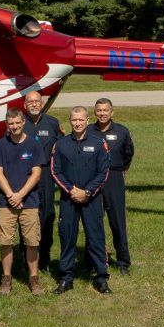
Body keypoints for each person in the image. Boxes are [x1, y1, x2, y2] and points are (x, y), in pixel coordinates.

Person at [51, 106, 112, 295]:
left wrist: (87, 192)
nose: (77, 123)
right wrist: (71, 190)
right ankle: (66, 278)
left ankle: (101, 278)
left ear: (87, 121)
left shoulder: (98, 143)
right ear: (70, 121)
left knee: (95, 238)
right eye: (74, 120)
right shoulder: (61, 145)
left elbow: (104, 172)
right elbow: (55, 171)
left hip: (91, 199)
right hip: (69, 199)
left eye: (81, 120)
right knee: (67, 237)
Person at [0, 108, 44, 295]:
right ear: (7, 125)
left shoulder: (33, 144)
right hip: (7, 202)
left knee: (32, 241)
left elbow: (37, 173)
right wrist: (11, 195)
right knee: (5, 241)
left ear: (23, 123)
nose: (14, 127)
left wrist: (20, 195)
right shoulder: (1, 145)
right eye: (11, 124)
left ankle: (33, 278)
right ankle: (6, 279)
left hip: (29, 201)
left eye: (17, 123)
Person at [89, 98, 135, 274]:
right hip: (93, 180)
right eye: (99, 110)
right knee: (94, 221)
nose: (102, 113)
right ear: (95, 112)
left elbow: (128, 155)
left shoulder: (122, 132)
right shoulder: (88, 131)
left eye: (105, 110)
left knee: (117, 221)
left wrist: (118, 171)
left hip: (114, 178)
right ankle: (96, 262)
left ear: (112, 112)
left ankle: (123, 262)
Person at [23, 90, 63, 271]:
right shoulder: (19, 123)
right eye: (30, 101)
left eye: (36, 101)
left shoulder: (53, 123)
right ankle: (26, 258)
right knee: (27, 217)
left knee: (47, 215)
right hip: (25, 175)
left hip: (46, 174)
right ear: (25, 105)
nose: (33, 104)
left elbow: (62, 148)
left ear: (42, 103)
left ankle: (44, 257)